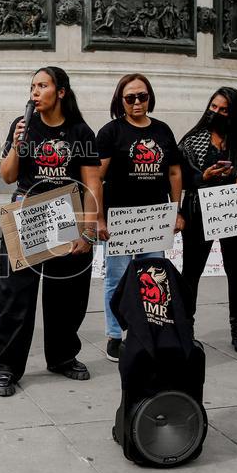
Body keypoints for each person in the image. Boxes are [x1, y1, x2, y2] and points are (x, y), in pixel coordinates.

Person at [0, 66, 102, 397]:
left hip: (67, 215)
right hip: (27, 213)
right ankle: (7, 366)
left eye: (43, 85)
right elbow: (7, 176)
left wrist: (88, 230)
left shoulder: (81, 132)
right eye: (32, 86)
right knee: (15, 296)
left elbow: (92, 180)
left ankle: (62, 357)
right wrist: (15, 144)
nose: (35, 91)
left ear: (61, 92)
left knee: (67, 295)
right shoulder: (22, 126)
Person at [97, 73, 184, 362]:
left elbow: (174, 172)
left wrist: (177, 210)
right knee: (116, 277)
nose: (137, 102)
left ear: (150, 98)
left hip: (154, 217)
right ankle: (114, 335)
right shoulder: (111, 132)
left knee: (153, 277)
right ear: (120, 100)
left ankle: (150, 331)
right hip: (120, 218)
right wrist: (98, 219)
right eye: (130, 97)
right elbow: (97, 176)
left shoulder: (162, 131)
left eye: (142, 96)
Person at [178, 87, 237, 354]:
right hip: (199, 213)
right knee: (191, 272)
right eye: (213, 106)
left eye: (223, 109)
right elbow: (181, 174)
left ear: (233, 113)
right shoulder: (193, 139)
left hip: (234, 212)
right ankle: (185, 329)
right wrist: (204, 177)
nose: (216, 112)